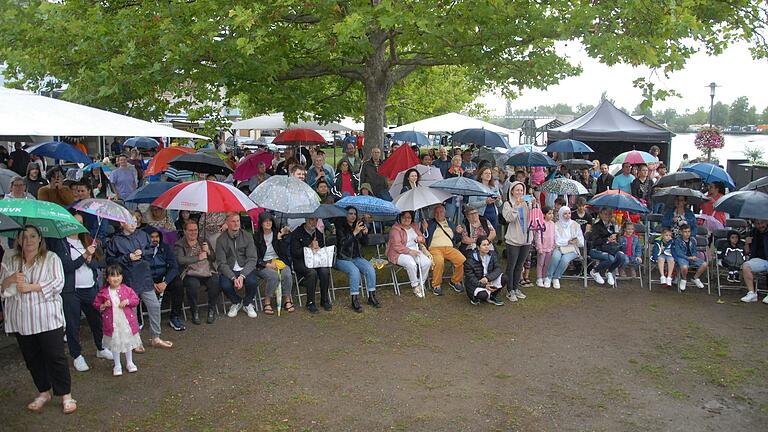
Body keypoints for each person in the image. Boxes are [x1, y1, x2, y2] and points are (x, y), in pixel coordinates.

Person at [0, 225, 76, 414]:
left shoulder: (51, 258)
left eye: (33, 236)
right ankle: (43, 391)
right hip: (21, 319)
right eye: (24, 237)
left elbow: (58, 283)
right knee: (32, 358)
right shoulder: (10, 259)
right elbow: (2, 288)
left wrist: (31, 287)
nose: (28, 241)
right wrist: (10, 279)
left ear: (40, 238)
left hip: (47, 318)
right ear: (17, 240)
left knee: (55, 357)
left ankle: (65, 394)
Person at [50, 213, 110, 372]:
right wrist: (85, 256)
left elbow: (101, 263)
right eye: (73, 222)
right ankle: (76, 355)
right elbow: (67, 267)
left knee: (96, 319)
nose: (76, 226)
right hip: (71, 291)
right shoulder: (61, 244)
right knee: (73, 324)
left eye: (80, 223)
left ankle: (101, 347)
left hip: (90, 288)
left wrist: (90, 260)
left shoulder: (88, 240)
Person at [106, 216, 173, 350]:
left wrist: (142, 253)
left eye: (135, 222)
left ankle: (156, 337)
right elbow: (110, 260)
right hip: (128, 279)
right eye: (130, 222)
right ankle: (135, 340)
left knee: (154, 305)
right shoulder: (116, 240)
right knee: (132, 311)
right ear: (122, 223)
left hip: (145, 277)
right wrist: (127, 257)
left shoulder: (143, 235)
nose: (133, 224)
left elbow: (152, 249)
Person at [93, 264, 142, 376]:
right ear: (107, 278)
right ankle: (117, 364)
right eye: (113, 276)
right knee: (115, 343)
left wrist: (127, 302)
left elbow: (135, 299)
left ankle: (130, 362)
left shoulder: (127, 289)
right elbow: (96, 304)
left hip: (125, 322)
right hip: (112, 323)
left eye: (118, 275)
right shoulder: (104, 292)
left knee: (127, 341)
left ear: (122, 276)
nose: (116, 278)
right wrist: (104, 305)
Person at [173, 219, 220, 324]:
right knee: (192, 285)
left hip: (206, 271)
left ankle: (211, 309)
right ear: (185, 231)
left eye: (195, 230)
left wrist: (208, 251)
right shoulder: (179, 244)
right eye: (190, 230)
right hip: (190, 272)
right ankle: (194, 311)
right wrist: (198, 257)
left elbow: (213, 258)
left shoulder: (203, 240)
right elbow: (180, 260)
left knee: (215, 282)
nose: (193, 232)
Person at [333, 206, 379, 312]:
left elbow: (365, 244)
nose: (353, 216)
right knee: (354, 271)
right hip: (342, 258)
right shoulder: (340, 227)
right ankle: (354, 299)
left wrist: (365, 234)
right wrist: (354, 232)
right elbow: (343, 244)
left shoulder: (357, 225)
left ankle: (371, 296)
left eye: (354, 214)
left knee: (369, 268)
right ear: (345, 215)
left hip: (356, 257)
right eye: (350, 213)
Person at [216, 212, 259, 318]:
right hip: (229, 269)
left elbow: (252, 259)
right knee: (224, 285)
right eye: (233, 221)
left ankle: (247, 303)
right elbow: (221, 262)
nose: (236, 224)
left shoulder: (247, 236)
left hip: (245, 267)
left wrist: (242, 275)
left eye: (238, 221)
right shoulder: (221, 239)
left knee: (252, 282)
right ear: (227, 223)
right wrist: (232, 277)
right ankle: (236, 301)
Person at [253, 213, 295, 315]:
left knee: (287, 274)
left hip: (278, 261)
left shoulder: (277, 233)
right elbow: (254, 257)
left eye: (270, 220)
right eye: (265, 221)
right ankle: (267, 301)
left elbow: (285, 253)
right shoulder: (256, 237)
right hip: (263, 264)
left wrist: (280, 239)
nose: (268, 223)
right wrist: (266, 264)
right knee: (273, 276)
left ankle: (286, 298)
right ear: (261, 223)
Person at [422, 204, 466, 295]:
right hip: (434, 248)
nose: (439, 214)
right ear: (433, 214)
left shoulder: (450, 224)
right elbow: (424, 238)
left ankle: (455, 281)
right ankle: (436, 285)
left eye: (441, 212)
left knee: (462, 260)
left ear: (445, 213)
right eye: (436, 212)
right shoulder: (429, 223)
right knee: (439, 261)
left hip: (449, 248)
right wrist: (423, 229)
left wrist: (458, 233)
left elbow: (456, 240)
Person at [386, 211, 431, 298]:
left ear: (412, 218)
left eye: (409, 217)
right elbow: (396, 246)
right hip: (399, 253)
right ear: (400, 218)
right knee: (411, 264)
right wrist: (409, 251)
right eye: (404, 217)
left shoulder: (414, 226)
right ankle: (415, 286)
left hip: (415, 250)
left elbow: (423, 239)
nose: (406, 219)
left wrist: (420, 238)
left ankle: (421, 284)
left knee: (427, 262)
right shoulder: (395, 229)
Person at [291, 217, 332, 313]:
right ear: (305, 220)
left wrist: (318, 248)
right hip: (301, 261)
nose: (313, 222)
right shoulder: (297, 233)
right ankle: (310, 302)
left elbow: (322, 251)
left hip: (316, 260)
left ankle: (324, 300)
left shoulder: (318, 233)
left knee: (325, 271)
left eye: (316, 220)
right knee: (312, 273)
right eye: (311, 220)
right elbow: (295, 252)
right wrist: (309, 248)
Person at [501, 181, 533, 302]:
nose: (519, 192)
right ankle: (510, 290)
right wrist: (516, 206)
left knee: (520, 266)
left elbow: (533, 217)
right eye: (517, 190)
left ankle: (516, 287)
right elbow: (509, 218)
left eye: (521, 190)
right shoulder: (507, 204)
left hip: (526, 239)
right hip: (513, 240)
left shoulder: (526, 203)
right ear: (512, 192)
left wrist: (533, 205)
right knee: (511, 266)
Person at [145, 228, 180, 330]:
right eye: (152, 237)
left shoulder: (166, 248)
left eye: (157, 237)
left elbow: (174, 266)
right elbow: (141, 269)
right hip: (148, 279)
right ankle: (138, 319)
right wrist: (151, 283)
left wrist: (165, 282)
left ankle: (175, 317)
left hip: (164, 278)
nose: (155, 239)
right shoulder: (142, 249)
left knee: (178, 284)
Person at [544, 206, 585, 289]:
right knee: (555, 257)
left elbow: (581, 241)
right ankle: (548, 277)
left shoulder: (575, 225)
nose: (568, 215)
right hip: (559, 247)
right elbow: (556, 240)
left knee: (565, 260)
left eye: (569, 213)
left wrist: (576, 241)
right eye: (565, 214)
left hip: (572, 249)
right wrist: (567, 241)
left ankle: (556, 278)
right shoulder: (556, 225)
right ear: (561, 215)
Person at [588, 207, 626, 287]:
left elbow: (617, 240)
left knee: (622, 256)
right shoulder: (596, 226)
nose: (607, 216)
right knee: (611, 258)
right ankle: (595, 271)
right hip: (596, 249)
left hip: (610, 249)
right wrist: (607, 239)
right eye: (605, 214)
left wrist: (616, 237)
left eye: (609, 214)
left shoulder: (613, 226)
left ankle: (609, 271)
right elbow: (595, 241)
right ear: (600, 214)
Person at [463, 236, 506, 306]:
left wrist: (488, 278)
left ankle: (492, 296)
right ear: (478, 247)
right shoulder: (470, 260)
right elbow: (471, 279)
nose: (487, 247)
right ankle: (475, 298)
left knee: (504, 278)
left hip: (488, 280)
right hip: (476, 284)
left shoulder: (493, 254)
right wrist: (484, 285)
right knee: (483, 295)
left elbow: (498, 269)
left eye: (488, 245)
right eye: (484, 245)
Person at [671, 224, 707, 291]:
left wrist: (694, 256)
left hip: (692, 257)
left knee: (704, 264)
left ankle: (695, 278)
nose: (687, 234)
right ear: (681, 232)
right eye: (685, 232)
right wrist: (688, 257)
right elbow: (679, 253)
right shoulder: (678, 240)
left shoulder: (692, 240)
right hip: (682, 257)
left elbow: (694, 250)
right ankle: (684, 279)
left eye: (688, 231)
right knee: (684, 267)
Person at [740, 219, 768, 303]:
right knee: (745, 266)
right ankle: (752, 293)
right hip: (760, 260)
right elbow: (747, 252)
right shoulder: (753, 232)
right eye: (757, 223)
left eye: (762, 223)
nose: (760, 225)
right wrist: (747, 243)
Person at [468, 167, 502, 231]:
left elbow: (499, 204)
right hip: (481, 215)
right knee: (484, 236)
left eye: (490, 173)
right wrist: (485, 202)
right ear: (481, 175)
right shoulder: (476, 188)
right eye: (486, 173)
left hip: (493, 214)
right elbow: (471, 204)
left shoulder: (494, 187)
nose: (488, 175)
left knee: (493, 235)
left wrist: (498, 199)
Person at [534, 206, 556, 287]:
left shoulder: (553, 224)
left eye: (552, 213)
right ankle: (539, 278)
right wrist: (539, 247)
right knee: (540, 263)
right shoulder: (541, 223)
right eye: (549, 214)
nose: (551, 215)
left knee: (547, 263)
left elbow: (554, 235)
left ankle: (544, 276)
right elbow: (538, 236)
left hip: (550, 248)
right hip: (542, 248)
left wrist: (554, 245)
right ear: (544, 214)